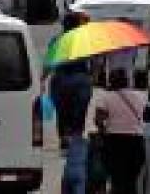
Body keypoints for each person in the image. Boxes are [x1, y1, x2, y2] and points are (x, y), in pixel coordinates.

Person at [50, 17, 93, 194]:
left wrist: (43, 78)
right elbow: (92, 61)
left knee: (61, 111)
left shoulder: (57, 40)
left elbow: (50, 61)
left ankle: (63, 140)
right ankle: (75, 138)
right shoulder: (83, 40)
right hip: (80, 80)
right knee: (79, 112)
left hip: (60, 80)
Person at [93, 68, 146, 194]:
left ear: (111, 81)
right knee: (131, 181)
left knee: (117, 180)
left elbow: (98, 119)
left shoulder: (106, 97)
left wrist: (103, 130)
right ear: (127, 81)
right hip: (136, 142)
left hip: (115, 143)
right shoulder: (140, 96)